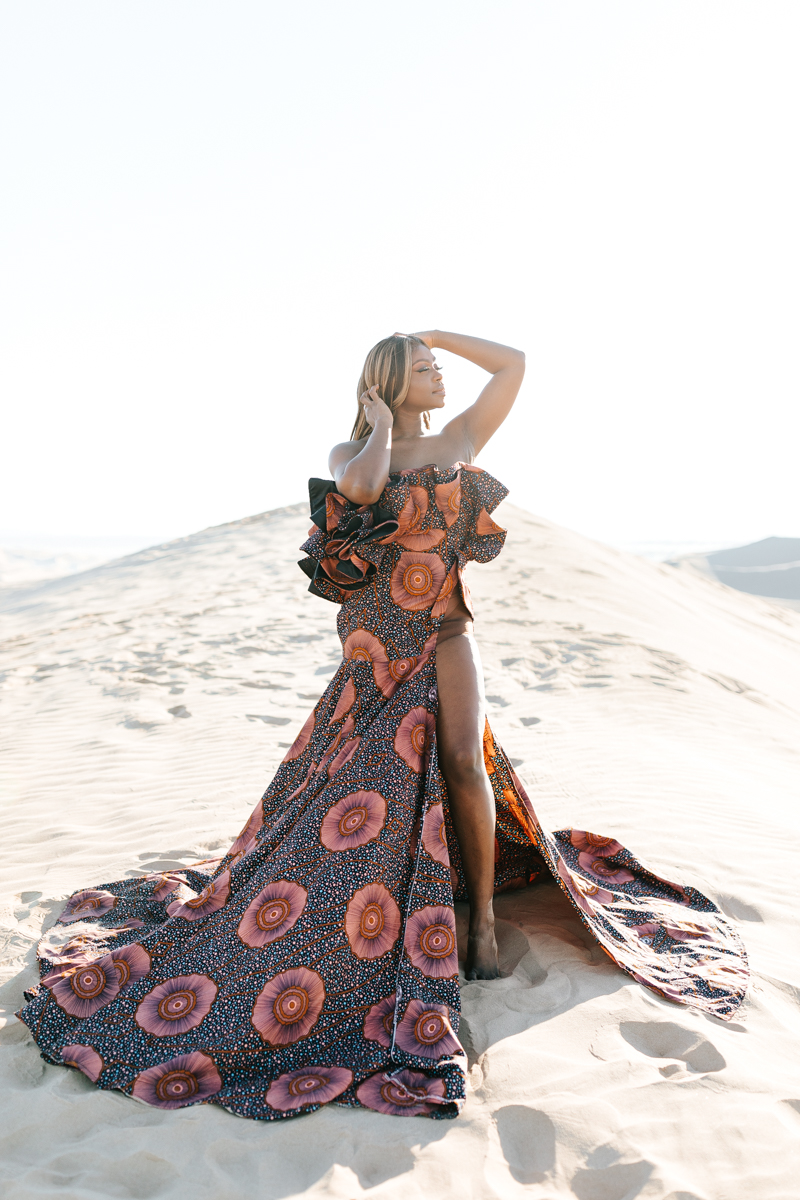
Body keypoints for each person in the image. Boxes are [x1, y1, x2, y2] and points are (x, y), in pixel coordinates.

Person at [17, 331, 748, 1122]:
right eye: (426, 369)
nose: (438, 377)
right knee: (356, 781)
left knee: (466, 764)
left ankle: (485, 927)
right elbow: (362, 490)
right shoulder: (351, 448)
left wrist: (438, 336)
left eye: (436, 368)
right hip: (373, 646)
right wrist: (372, 427)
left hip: (448, 631)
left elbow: (514, 366)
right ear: (392, 383)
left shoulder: (459, 441)